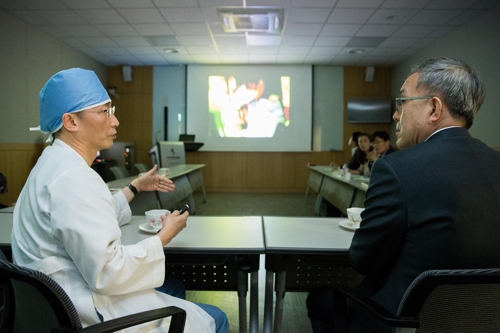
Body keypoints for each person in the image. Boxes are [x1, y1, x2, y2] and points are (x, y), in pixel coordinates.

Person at [11, 68, 228, 333]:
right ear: (71, 121)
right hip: (87, 313)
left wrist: (135, 187)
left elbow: (92, 218)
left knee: (173, 286)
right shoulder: (74, 178)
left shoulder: (50, 165)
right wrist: (163, 237)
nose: (115, 122)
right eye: (104, 112)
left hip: (54, 307)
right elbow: (109, 272)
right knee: (215, 318)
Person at [306, 57, 500, 333]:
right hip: (485, 319)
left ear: (433, 108)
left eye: (403, 102)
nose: (396, 115)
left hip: (404, 320)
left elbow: (364, 259)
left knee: (320, 300)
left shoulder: (397, 168)